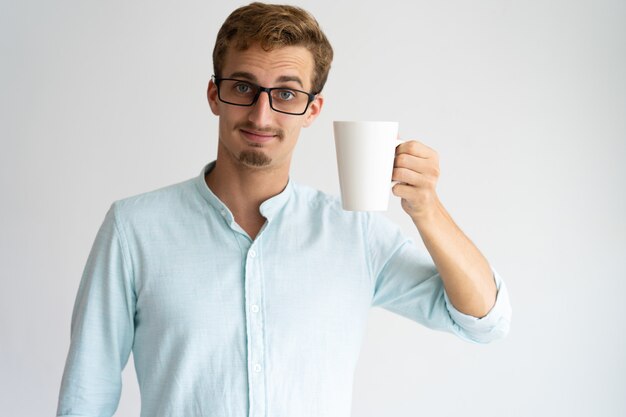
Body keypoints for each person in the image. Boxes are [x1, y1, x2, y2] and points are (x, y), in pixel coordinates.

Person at [57, 2, 511, 417]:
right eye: (243, 87)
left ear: (313, 110)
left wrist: (427, 209)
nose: (260, 116)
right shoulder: (134, 229)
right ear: (214, 94)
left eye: (287, 94)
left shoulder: (354, 234)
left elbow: (483, 321)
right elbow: (87, 395)